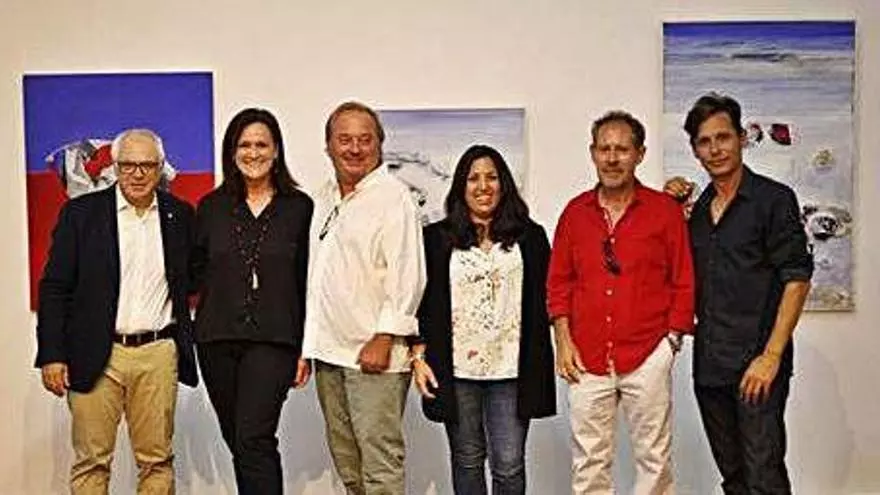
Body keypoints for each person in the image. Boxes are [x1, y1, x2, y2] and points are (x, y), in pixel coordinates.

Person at [35, 128, 198, 494]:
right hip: (95, 352)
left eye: (147, 166)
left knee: (157, 461)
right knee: (92, 462)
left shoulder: (180, 215)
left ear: (160, 168)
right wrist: (52, 354)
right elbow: (55, 287)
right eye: (128, 165)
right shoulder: (81, 214)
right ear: (114, 166)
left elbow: (197, 276)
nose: (137, 174)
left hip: (157, 353)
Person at [666, 93, 813, 494]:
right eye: (704, 141)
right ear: (695, 150)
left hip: (757, 363)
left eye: (723, 137)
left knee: (763, 476)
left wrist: (771, 357)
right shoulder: (697, 211)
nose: (715, 149)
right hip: (710, 364)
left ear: (742, 138)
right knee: (733, 478)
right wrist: (667, 205)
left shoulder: (773, 200)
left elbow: (797, 278)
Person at [547, 111, 695, 494]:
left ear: (640, 154)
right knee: (589, 461)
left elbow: (683, 279)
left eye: (622, 150)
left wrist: (671, 342)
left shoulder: (664, 212)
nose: (612, 159)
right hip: (587, 357)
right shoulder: (574, 214)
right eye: (604, 149)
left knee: (654, 460)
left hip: (648, 352)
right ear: (593, 153)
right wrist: (563, 340)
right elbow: (559, 282)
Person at [411, 144, 556, 495]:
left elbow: (550, 298)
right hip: (457, 370)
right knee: (467, 460)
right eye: (473, 178)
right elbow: (420, 303)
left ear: (503, 184)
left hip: (512, 371)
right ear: (461, 186)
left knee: (509, 464)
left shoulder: (530, 237)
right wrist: (417, 356)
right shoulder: (436, 239)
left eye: (491, 177)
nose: (483, 186)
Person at [301, 101, 426, 495]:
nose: (354, 149)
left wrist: (385, 336)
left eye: (364, 140)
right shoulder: (322, 199)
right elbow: (316, 279)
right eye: (344, 140)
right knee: (348, 465)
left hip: (374, 355)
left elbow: (409, 275)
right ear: (328, 146)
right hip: (329, 353)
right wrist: (307, 348)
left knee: (379, 467)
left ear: (379, 145)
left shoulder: (394, 198)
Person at [191, 108, 313, 495]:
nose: (253, 153)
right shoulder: (210, 207)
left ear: (276, 150)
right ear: (232, 152)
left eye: (262, 144)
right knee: (238, 442)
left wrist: (306, 349)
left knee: (253, 438)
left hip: (275, 340)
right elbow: (194, 272)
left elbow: (309, 281)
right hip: (216, 339)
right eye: (244, 145)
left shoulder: (300, 208)